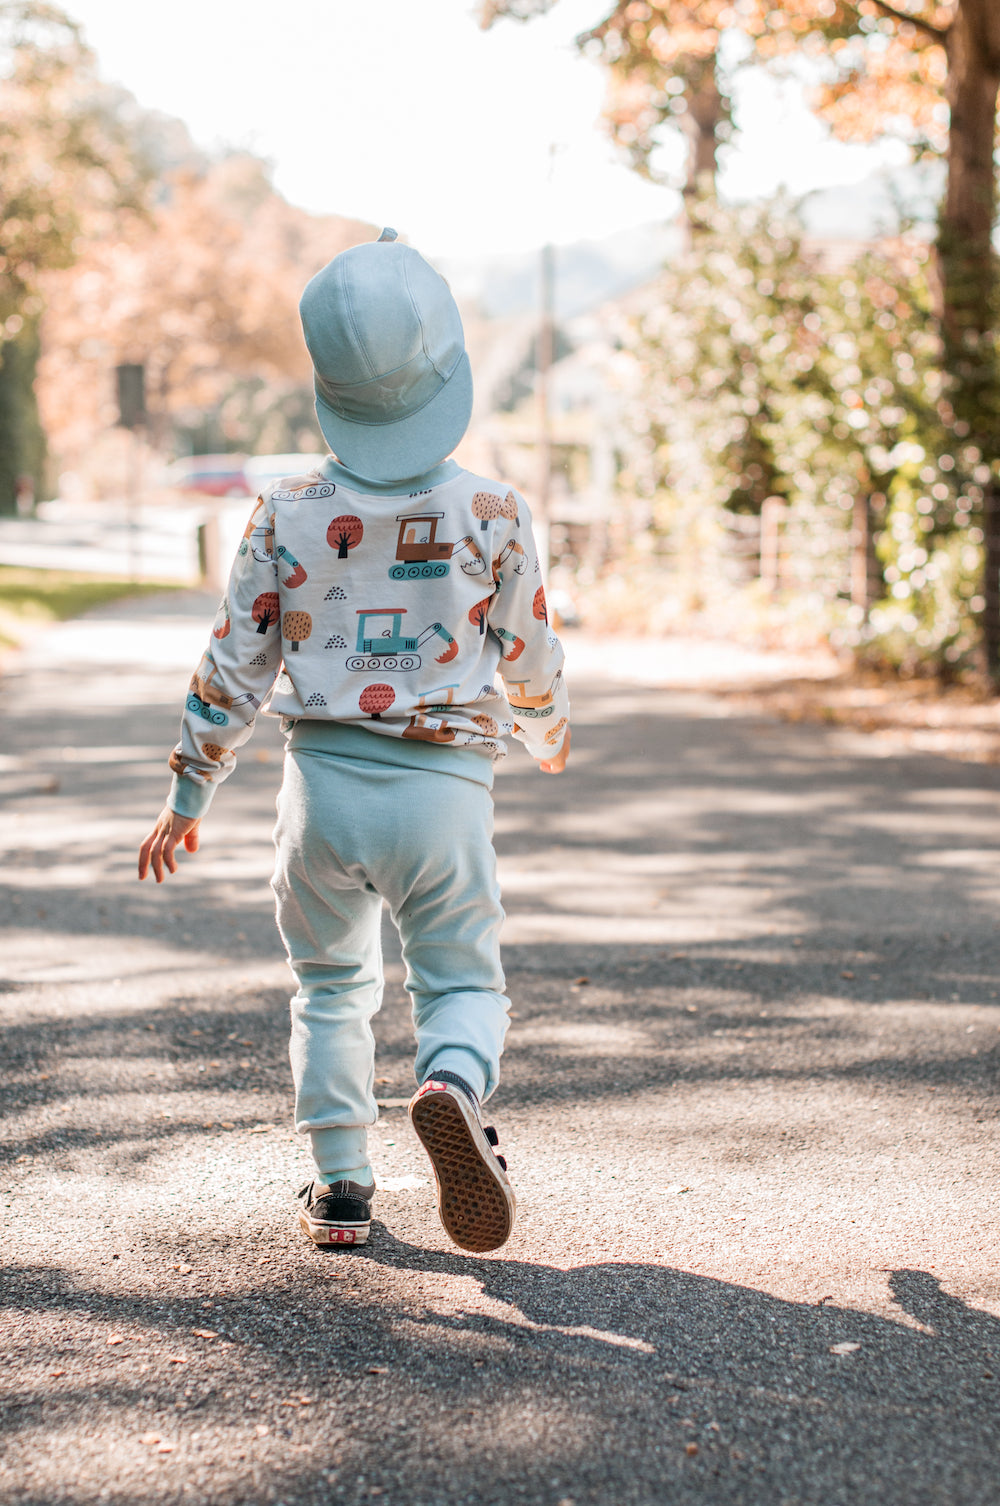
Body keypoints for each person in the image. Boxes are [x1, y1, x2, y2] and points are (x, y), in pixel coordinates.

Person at [138, 228, 570, 1254]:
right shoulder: (493, 511)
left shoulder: (283, 512)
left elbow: (231, 666)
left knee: (329, 986)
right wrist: (547, 731)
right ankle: (452, 1088)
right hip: (444, 797)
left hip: (321, 797)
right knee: (460, 978)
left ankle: (339, 1187)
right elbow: (531, 650)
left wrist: (188, 793)